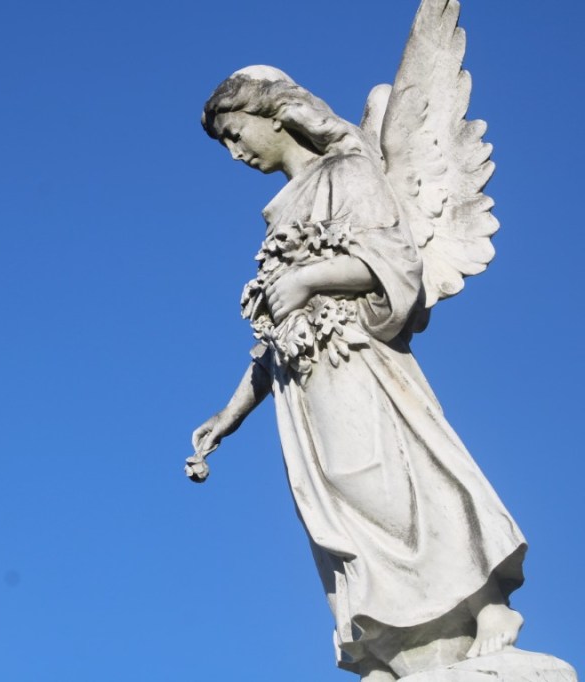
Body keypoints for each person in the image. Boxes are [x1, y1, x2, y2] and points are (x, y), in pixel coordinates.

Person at [188, 67, 526, 680]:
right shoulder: (279, 214)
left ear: (275, 115)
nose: (235, 152)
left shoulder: (347, 171)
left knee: (401, 484)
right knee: (339, 517)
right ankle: (392, 648)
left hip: (356, 361)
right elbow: (274, 339)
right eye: (224, 145)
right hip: (305, 386)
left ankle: (487, 605)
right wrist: (228, 414)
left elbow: (396, 264)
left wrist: (309, 277)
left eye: (236, 134)